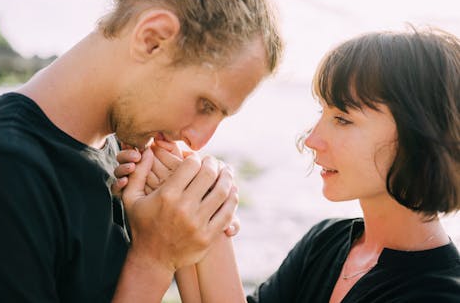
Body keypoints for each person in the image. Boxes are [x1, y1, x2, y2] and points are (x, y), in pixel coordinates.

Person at [0, 0, 283, 302]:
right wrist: (154, 259)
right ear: (152, 39)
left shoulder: (125, 160)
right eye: (205, 104)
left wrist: (201, 226)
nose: (198, 141)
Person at [118, 27, 460, 302]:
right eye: (321, 113)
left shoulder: (440, 292)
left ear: (421, 136)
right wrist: (196, 209)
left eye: (342, 119)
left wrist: (206, 215)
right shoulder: (325, 242)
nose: (311, 140)